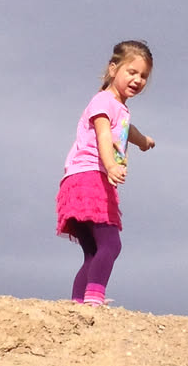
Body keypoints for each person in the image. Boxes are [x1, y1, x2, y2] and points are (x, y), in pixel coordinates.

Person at [56, 40, 156, 307]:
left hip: (78, 181)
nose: (137, 80)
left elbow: (127, 130)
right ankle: (94, 299)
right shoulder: (103, 101)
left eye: (143, 76)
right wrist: (111, 165)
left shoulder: (119, 108)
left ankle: (78, 304)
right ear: (113, 69)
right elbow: (103, 134)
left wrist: (143, 141)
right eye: (131, 72)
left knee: (93, 252)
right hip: (91, 178)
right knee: (111, 245)